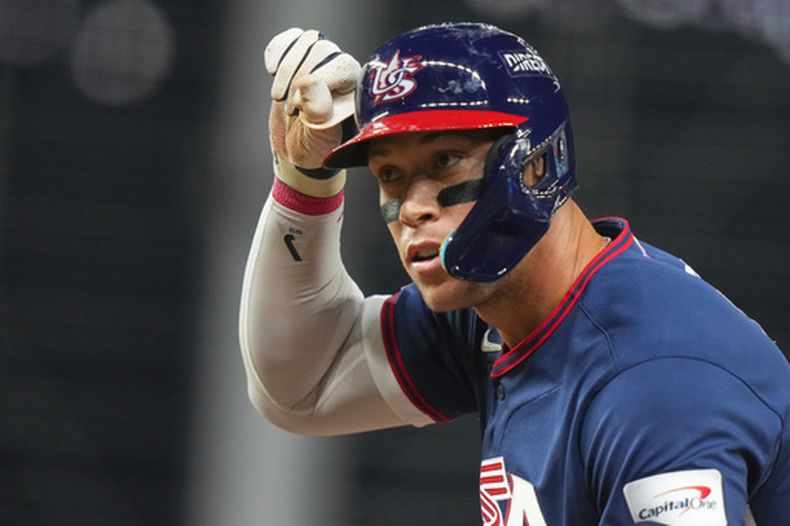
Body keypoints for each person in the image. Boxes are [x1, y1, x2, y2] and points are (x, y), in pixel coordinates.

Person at [239, 23, 790, 525]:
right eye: (390, 175)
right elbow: (303, 385)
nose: (412, 208)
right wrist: (304, 180)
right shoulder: (508, 307)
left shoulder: (654, 383)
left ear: (536, 163)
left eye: (445, 161)